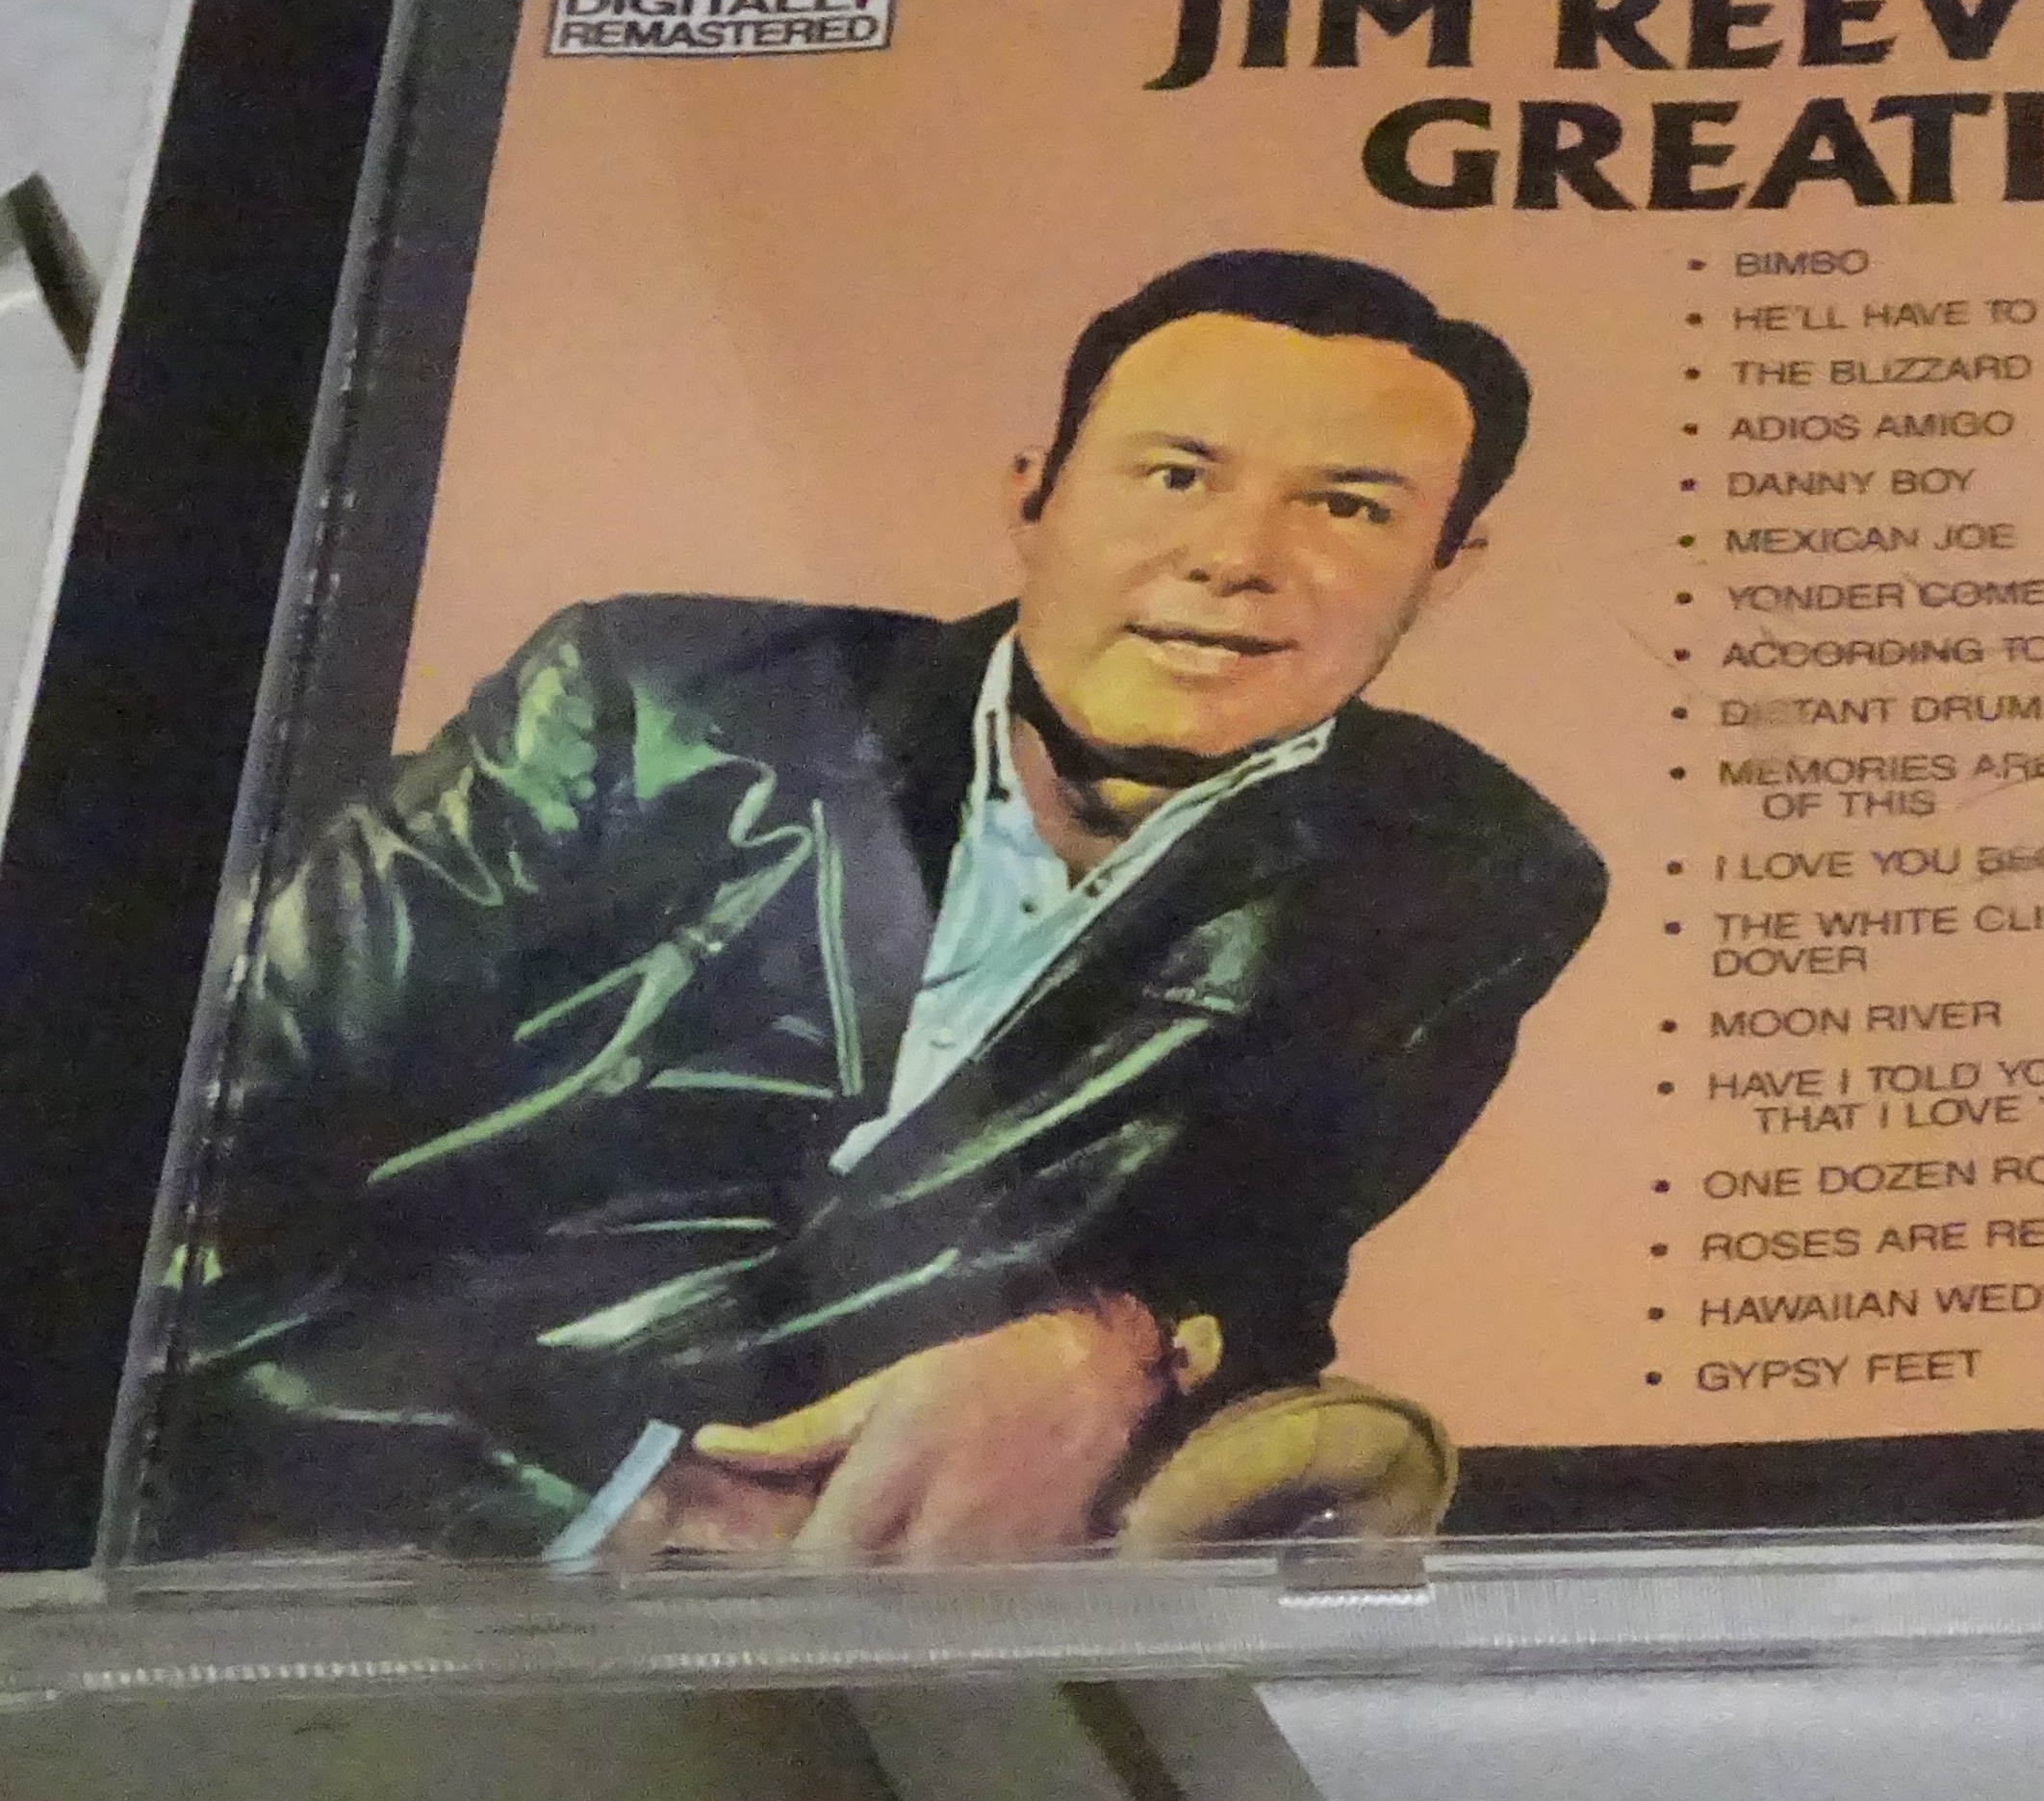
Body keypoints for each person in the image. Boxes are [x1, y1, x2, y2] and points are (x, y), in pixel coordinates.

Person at [157, 250, 1602, 1566]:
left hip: (885, 1609)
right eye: (1176, 476)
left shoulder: (1473, 872)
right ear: (1034, 497)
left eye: (1349, 507)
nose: (1237, 557)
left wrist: (1116, 1349)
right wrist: (625, 1502)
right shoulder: (639, 703)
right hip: (344, 1516)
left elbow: (1256, 1250)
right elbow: (183, 1168)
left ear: (1447, 569)